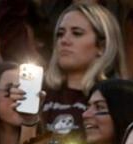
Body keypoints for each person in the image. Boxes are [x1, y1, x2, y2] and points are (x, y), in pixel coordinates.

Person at [42, 4, 126, 135]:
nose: (64, 40)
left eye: (77, 33)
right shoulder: (39, 92)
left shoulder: (116, 99)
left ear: (102, 47)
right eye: (60, 34)